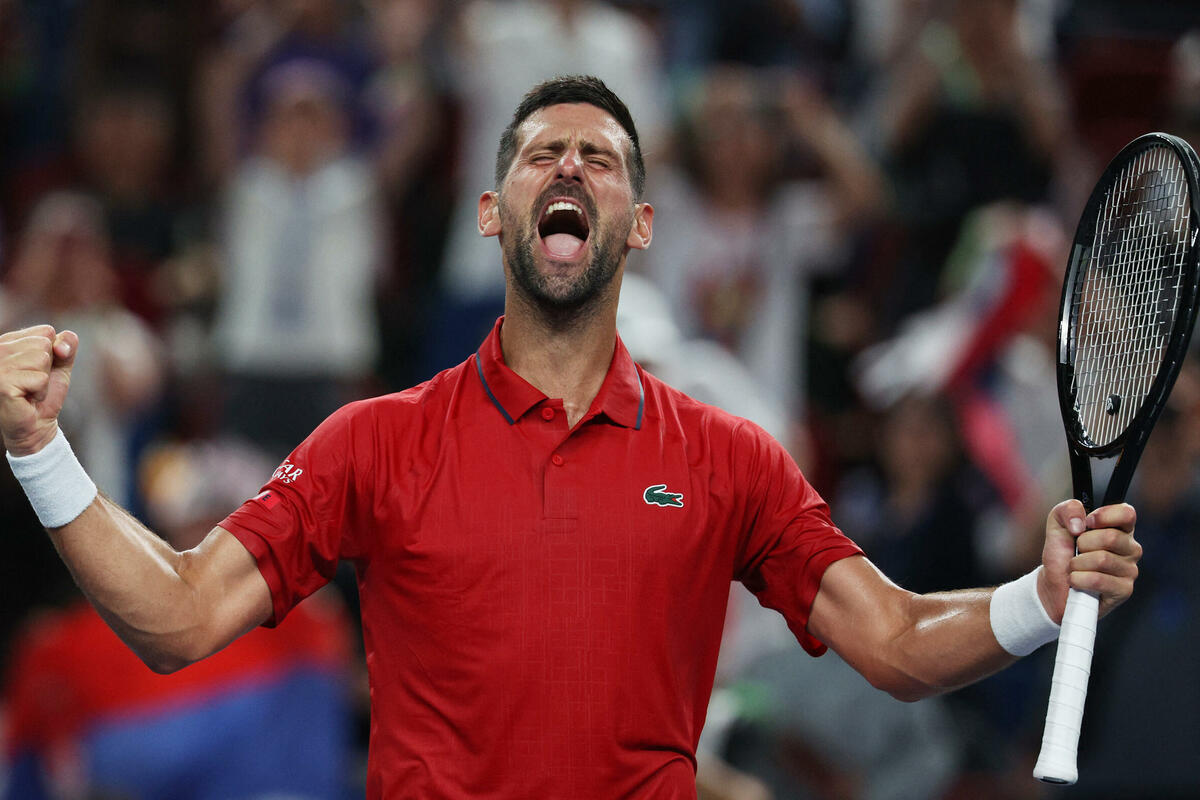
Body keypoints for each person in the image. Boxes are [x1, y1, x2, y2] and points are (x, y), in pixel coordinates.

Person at [0, 76, 1142, 799]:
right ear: (491, 212)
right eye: (541, 153)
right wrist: (39, 449)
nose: (569, 168)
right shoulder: (373, 443)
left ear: (638, 225)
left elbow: (892, 639)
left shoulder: (731, 459)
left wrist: (1039, 598)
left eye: (600, 158)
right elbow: (180, 618)